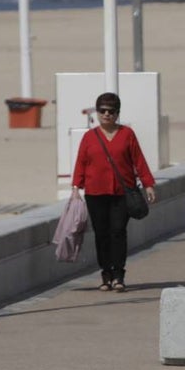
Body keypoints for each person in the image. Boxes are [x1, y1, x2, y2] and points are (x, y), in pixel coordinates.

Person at [71, 92, 156, 292]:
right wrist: (76, 188)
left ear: (118, 113)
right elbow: (81, 162)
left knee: (118, 232)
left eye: (111, 111)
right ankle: (106, 274)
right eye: (102, 111)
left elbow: (139, 160)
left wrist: (148, 184)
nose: (107, 114)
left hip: (121, 193)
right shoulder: (89, 137)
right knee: (101, 234)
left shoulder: (127, 134)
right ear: (97, 113)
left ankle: (119, 275)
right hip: (95, 193)